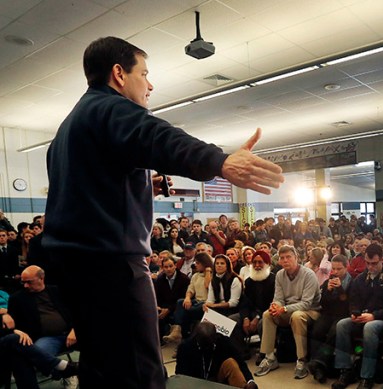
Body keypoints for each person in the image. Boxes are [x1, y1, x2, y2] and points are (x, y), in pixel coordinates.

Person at [42, 36, 285, 389]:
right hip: (109, 268)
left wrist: (139, 186)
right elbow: (156, 136)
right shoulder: (109, 108)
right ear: (118, 74)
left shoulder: (69, 128)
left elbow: (89, 188)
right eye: (145, 73)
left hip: (73, 272)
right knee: (141, 372)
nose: (150, 84)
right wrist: (219, 161)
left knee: (103, 366)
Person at [332, 244, 383, 389]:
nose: (370, 267)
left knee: (370, 327)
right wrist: (354, 313)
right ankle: (345, 371)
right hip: (363, 316)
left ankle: (367, 376)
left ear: (382, 260)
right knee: (342, 325)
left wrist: (374, 315)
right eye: (368, 263)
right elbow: (353, 301)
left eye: (374, 263)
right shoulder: (360, 279)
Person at [255, 245, 321, 379]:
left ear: (296, 258)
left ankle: (301, 360)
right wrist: (275, 306)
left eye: (288, 257)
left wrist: (283, 309)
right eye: (282, 258)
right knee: (267, 314)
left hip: (310, 311)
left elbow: (306, 303)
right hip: (288, 309)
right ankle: (270, 357)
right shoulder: (280, 274)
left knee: (297, 316)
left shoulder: (309, 274)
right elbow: (278, 298)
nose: (285, 260)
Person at [307, 254, 353, 383]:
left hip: (344, 315)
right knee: (317, 330)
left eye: (339, 269)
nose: (336, 272)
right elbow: (323, 303)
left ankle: (318, 363)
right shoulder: (328, 281)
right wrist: (327, 290)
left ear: (347, 267)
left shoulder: (352, 282)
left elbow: (348, 303)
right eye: (334, 269)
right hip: (328, 313)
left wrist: (339, 289)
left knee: (334, 331)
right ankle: (317, 367)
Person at [175, 322, 257, 389]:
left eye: (210, 344)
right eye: (204, 345)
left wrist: (250, 381)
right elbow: (180, 375)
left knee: (231, 363)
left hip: (217, 380)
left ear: (215, 337)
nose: (207, 348)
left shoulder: (224, 342)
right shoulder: (185, 347)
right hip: (195, 383)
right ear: (196, 338)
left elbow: (240, 363)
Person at [165, 253, 214, 343]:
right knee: (180, 302)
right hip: (196, 302)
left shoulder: (212, 275)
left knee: (184, 313)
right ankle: (177, 331)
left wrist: (207, 271)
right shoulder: (195, 276)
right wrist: (187, 298)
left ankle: (178, 334)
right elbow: (190, 289)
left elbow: (208, 286)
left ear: (204, 263)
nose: (195, 264)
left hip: (207, 303)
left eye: (198, 263)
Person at [155, 256, 190, 340]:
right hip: (164, 306)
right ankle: (159, 341)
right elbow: (157, 297)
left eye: (170, 266)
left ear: (175, 265)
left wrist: (169, 309)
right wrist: (160, 308)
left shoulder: (184, 279)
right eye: (166, 267)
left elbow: (183, 298)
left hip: (178, 306)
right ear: (162, 268)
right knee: (156, 313)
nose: (168, 269)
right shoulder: (160, 279)